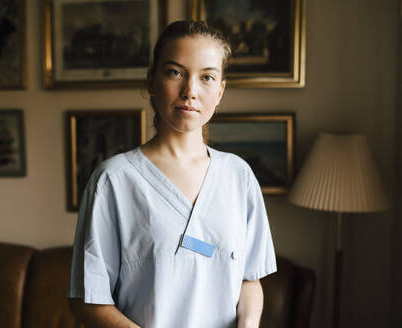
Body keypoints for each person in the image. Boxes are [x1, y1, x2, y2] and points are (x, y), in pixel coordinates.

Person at [68, 20, 276, 328]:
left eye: (207, 77)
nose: (190, 91)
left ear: (219, 91)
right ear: (152, 81)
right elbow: (88, 302)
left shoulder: (238, 175)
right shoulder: (114, 180)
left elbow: (249, 279)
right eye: (175, 72)